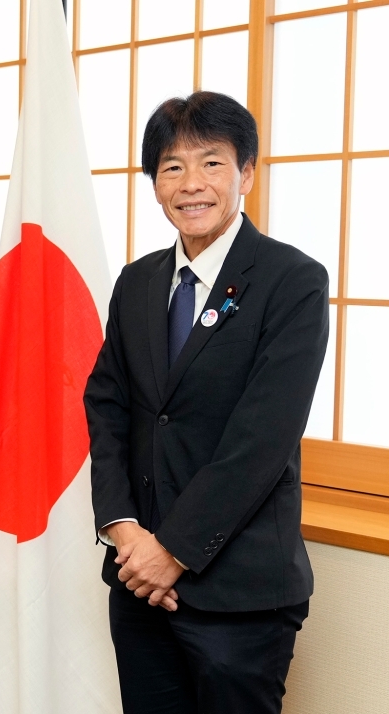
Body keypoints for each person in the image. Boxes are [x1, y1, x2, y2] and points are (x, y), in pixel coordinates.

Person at [84, 91, 328, 714]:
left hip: (238, 592)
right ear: (155, 183)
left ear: (246, 172)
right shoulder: (136, 281)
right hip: (140, 582)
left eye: (211, 163)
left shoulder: (292, 281)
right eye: (172, 167)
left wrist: (175, 552)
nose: (192, 184)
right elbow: (107, 405)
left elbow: (262, 440)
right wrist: (123, 528)